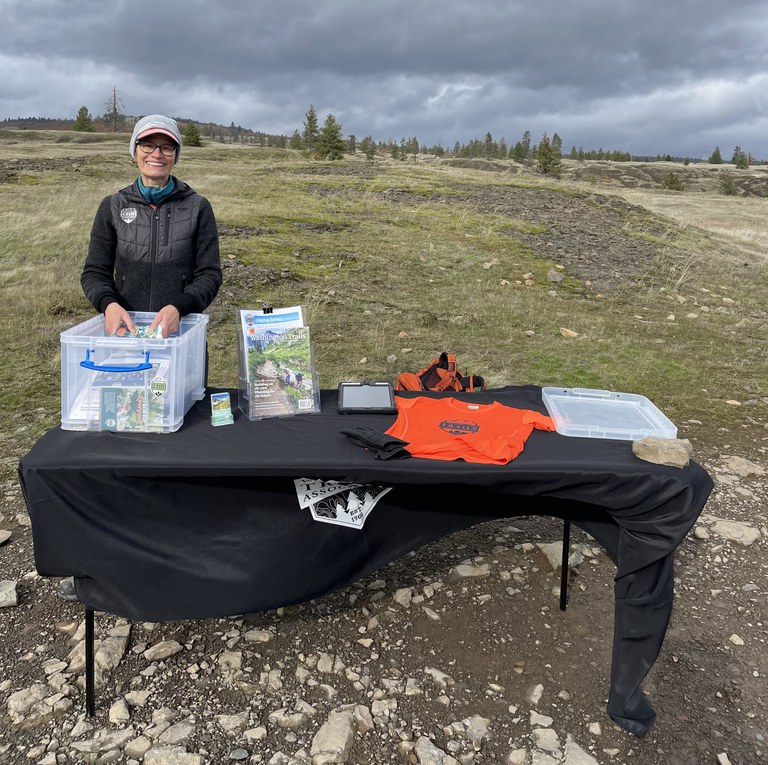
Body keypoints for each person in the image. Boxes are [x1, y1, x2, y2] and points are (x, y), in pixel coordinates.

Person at [80, 114, 222, 338]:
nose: (157, 154)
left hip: (181, 331)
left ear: (175, 156)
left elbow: (209, 274)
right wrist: (109, 305)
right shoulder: (112, 206)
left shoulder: (198, 207)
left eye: (167, 147)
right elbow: (95, 272)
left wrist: (180, 307)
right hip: (126, 331)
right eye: (147, 145)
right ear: (134, 150)